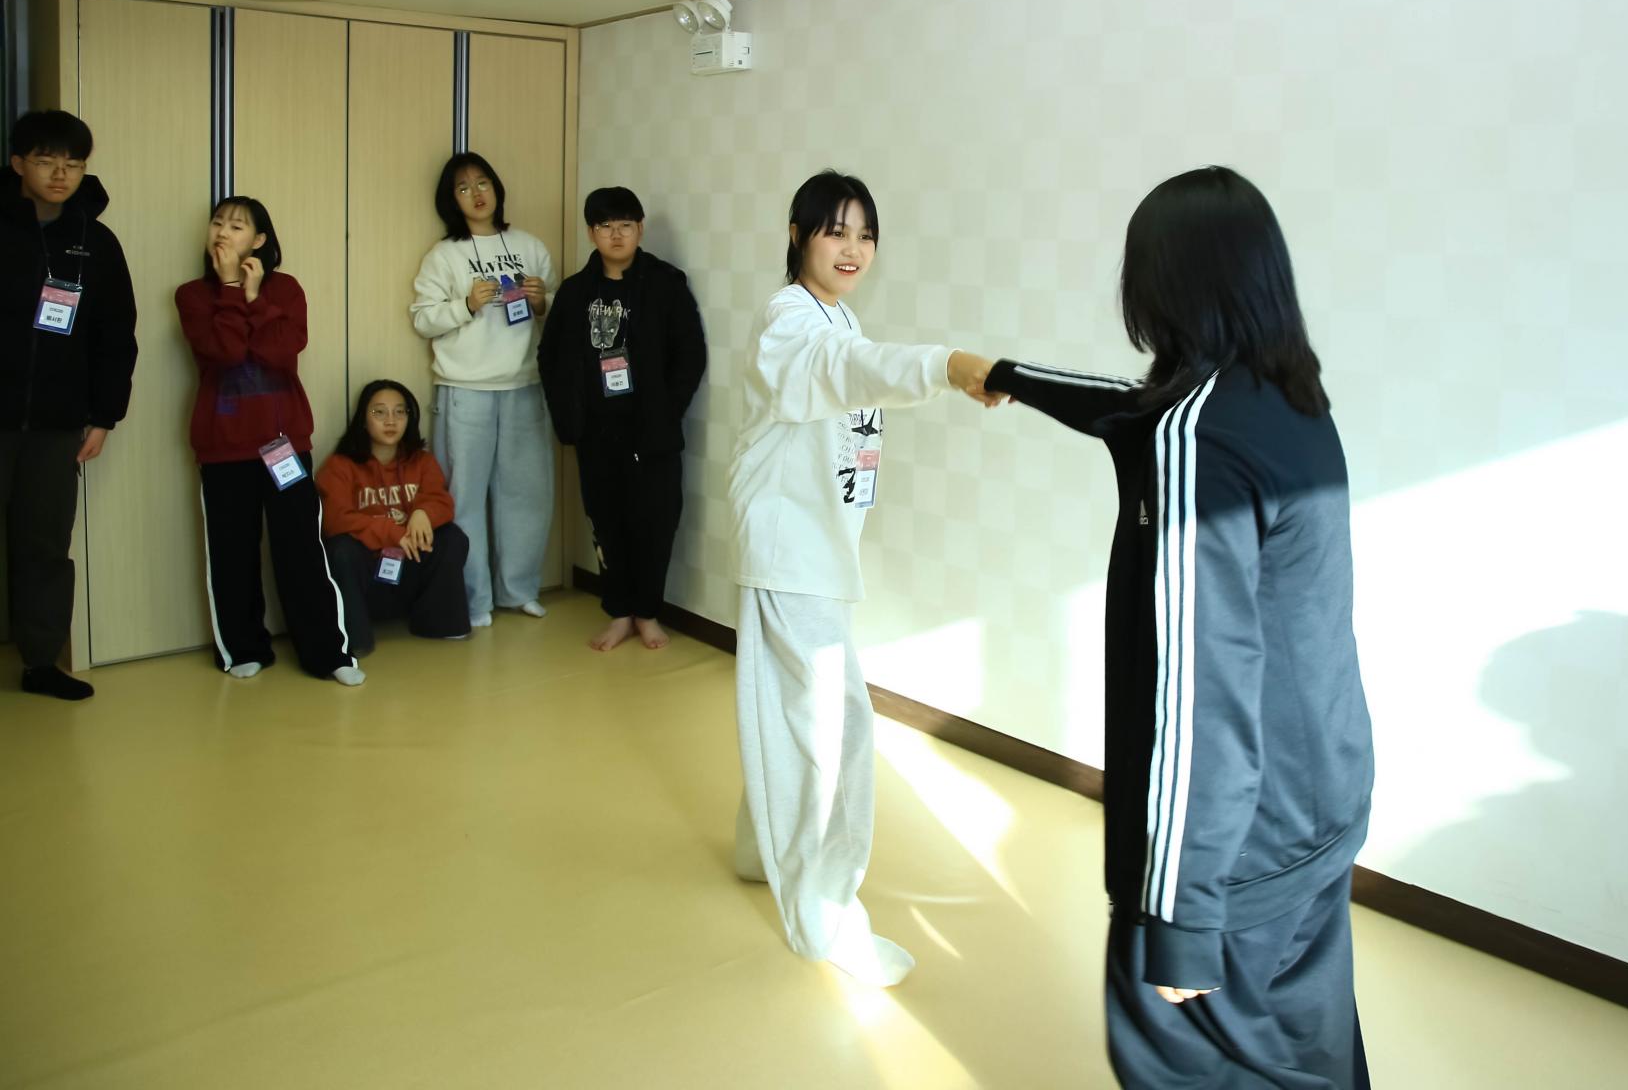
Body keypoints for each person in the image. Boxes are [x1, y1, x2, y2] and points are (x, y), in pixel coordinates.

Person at [984, 167, 1374, 1088]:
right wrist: (1006, 377)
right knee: (1308, 1058)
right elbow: (1136, 412)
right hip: (1320, 806)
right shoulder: (1285, 399)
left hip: (1231, 856)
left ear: (1161, 285)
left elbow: (1203, 692)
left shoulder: (1196, 438)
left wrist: (1180, 916)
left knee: (1184, 1064)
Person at [727, 169, 1000, 987]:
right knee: (837, 733)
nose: (852, 249)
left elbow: (851, 383)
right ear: (797, 235)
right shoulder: (789, 319)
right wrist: (949, 364)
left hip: (815, 553)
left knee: (795, 716)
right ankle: (826, 919)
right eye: (834, 231)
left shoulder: (838, 314)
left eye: (865, 234)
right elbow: (849, 370)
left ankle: (758, 850)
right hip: (790, 552)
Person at [176, 196, 361, 686]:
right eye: (217, 222)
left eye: (237, 226)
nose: (223, 232)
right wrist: (231, 289)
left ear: (259, 240)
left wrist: (256, 296)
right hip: (223, 446)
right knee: (232, 551)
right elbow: (226, 352)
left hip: (284, 444)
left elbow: (281, 353)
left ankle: (328, 654)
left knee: (301, 549)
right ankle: (243, 648)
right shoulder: (193, 295)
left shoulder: (286, 289)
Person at [2, 110, 137, 701]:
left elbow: (116, 336)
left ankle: (41, 663)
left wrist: (105, 416)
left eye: (73, 163)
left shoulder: (96, 242)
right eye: (45, 160)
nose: (60, 173)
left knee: (45, 545)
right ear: (18, 164)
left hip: (58, 425)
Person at [538, 187, 707, 652]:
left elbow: (690, 355)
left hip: (652, 432)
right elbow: (549, 357)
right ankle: (619, 612)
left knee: (656, 524)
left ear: (640, 229)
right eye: (606, 226)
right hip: (597, 432)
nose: (616, 234)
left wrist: (666, 412)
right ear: (591, 232)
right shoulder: (575, 292)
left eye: (626, 225)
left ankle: (647, 613)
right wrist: (568, 418)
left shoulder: (666, 283)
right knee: (607, 525)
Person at [409, 152, 555, 629]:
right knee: (463, 498)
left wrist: (543, 302)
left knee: (526, 494)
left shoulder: (529, 246)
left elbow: (560, 311)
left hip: (523, 384)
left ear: (496, 188)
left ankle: (519, 590)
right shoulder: (444, 254)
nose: (476, 193)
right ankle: (474, 601)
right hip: (464, 388)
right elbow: (423, 318)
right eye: (463, 187)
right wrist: (466, 304)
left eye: (483, 182)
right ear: (451, 200)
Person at [317, 380, 470, 657]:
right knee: (340, 549)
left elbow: (442, 501)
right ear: (363, 420)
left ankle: (438, 624)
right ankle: (355, 638)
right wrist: (392, 532)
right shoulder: (340, 466)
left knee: (452, 537)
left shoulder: (421, 461)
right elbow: (335, 520)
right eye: (379, 412)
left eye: (400, 412)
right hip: (367, 576)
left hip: (408, 569)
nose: (391, 421)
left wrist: (423, 513)